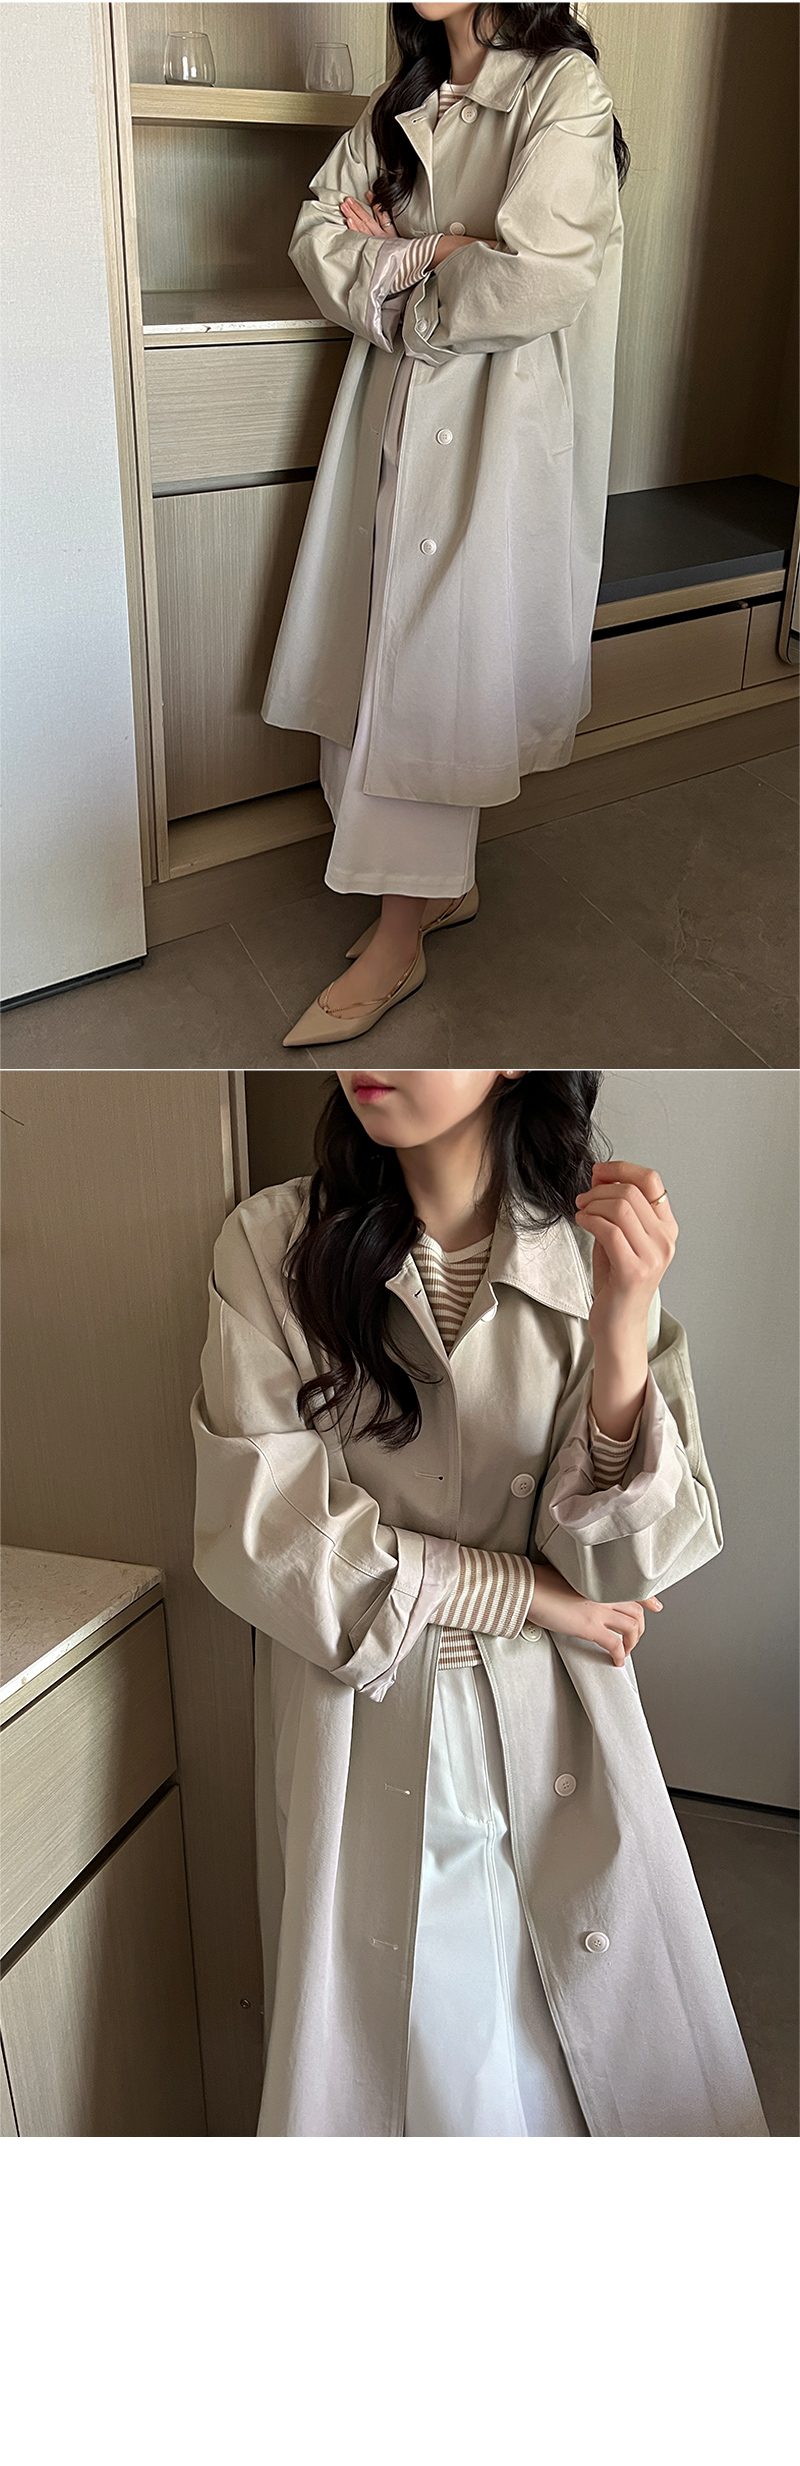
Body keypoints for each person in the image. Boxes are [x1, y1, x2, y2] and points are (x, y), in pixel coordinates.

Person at [191, 1065, 765, 2139]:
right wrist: (524, 1594)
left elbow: (616, 1571)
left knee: (580, 2068)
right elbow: (272, 1543)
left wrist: (622, 1325)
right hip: (364, 1722)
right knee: (421, 2072)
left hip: (554, 1729)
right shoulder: (271, 1248)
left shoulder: (588, 1250)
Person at [260, 10, 628, 1044]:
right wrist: (437, 253)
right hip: (387, 406)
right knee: (372, 648)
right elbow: (315, 234)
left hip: (494, 422)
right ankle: (438, 890)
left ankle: (399, 935)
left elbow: (536, 278)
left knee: (431, 669)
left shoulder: (560, 88)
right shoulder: (398, 102)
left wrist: (397, 276)